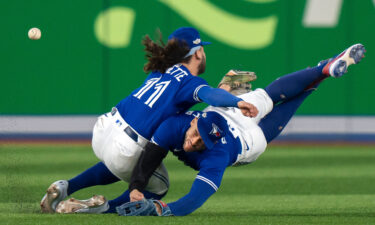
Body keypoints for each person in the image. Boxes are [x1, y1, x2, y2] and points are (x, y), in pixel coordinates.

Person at [45, 43, 366, 215]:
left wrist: (164, 210)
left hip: (247, 139)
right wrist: (142, 190)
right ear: (195, 119)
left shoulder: (217, 152)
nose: (192, 141)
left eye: (198, 142)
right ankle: (321, 70)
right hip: (226, 109)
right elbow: (151, 155)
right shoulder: (180, 125)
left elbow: (197, 196)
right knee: (270, 94)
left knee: (284, 105)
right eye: (194, 133)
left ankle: (320, 74)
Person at [40, 26, 258, 213]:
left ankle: (66, 187)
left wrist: (224, 89)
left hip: (104, 128)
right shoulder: (190, 82)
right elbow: (209, 96)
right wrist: (236, 101)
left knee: (126, 163)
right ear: (198, 52)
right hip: (126, 145)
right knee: (158, 188)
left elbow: (207, 95)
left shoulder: (159, 70)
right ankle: (102, 208)